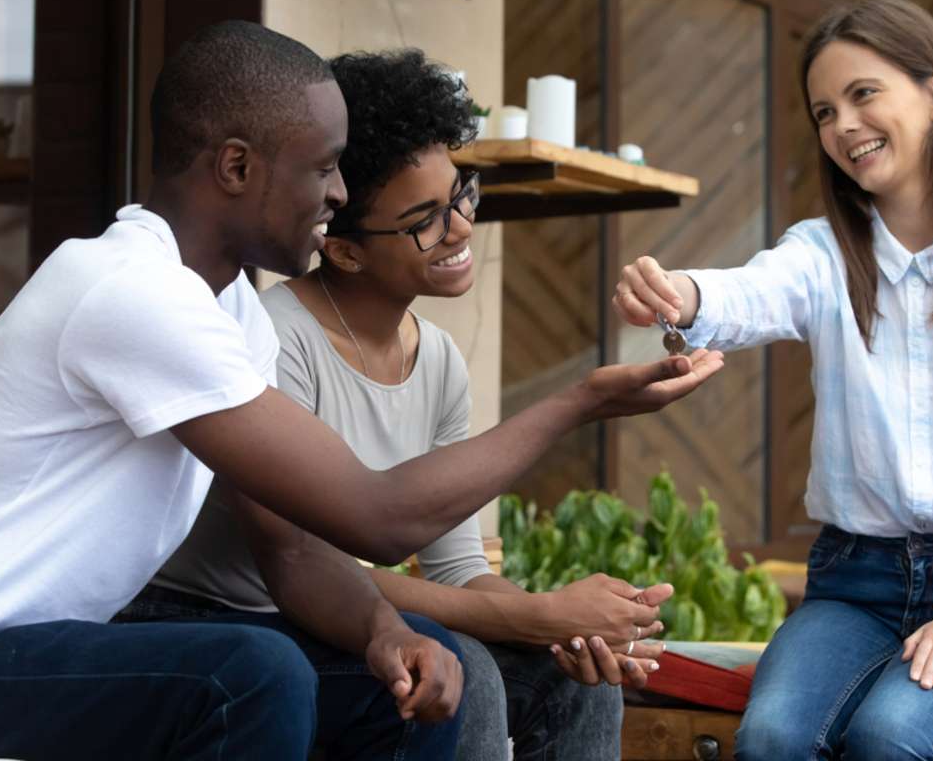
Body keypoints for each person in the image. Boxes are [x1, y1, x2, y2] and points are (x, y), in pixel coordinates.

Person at [0, 21, 726, 761]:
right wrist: (579, 401)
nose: (336, 197)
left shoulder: (230, 317)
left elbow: (294, 548)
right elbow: (373, 514)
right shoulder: (126, 289)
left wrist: (384, 635)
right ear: (236, 166)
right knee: (248, 674)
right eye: (324, 169)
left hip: (29, 654)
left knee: (413, 687)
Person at [133, 48, 668, 761]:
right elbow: (321, 569)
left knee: (576, 681)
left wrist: (566, 631)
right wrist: (537, 614)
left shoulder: (439, 360)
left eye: (462, 194)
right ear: (347, 252)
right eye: (425, 219)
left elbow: (453, 567)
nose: (460, 228)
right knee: (465, 669)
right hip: (226, 620)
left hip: (332, 621)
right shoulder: (273, 337)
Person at [613, 0, 933, 760]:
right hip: (855, 585)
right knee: (774, 736)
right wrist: (682, 293)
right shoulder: (821, 255)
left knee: (889, 735)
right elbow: (750, 292)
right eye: (822, 111)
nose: (843, 125)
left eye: (863, 94)